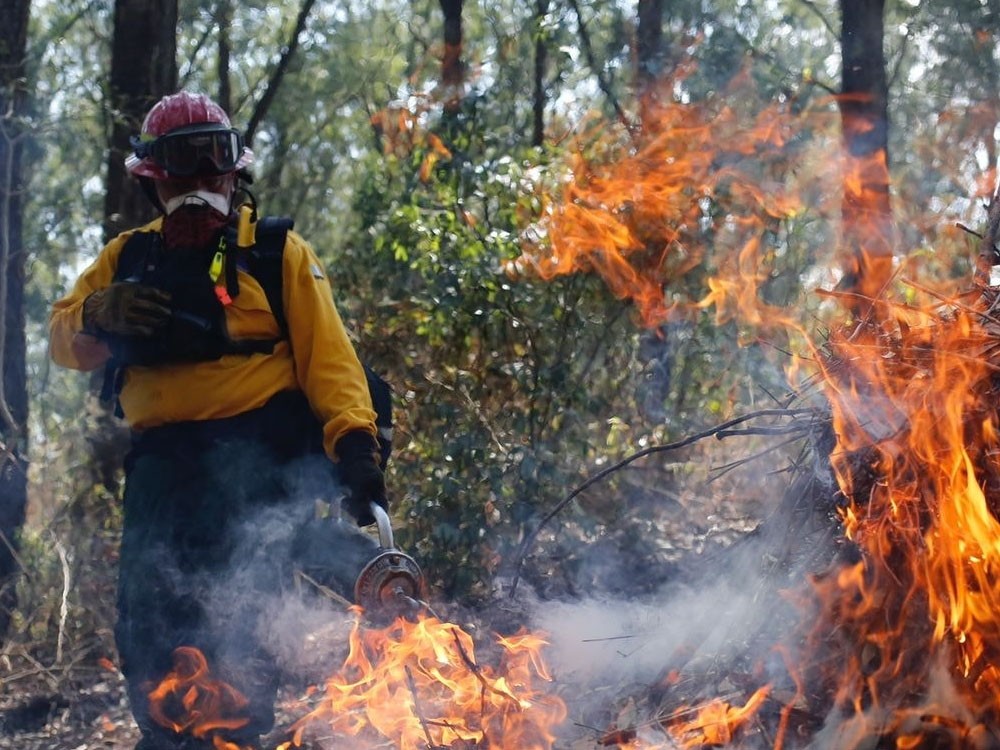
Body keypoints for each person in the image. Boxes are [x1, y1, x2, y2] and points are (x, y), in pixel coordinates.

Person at [49, 91, 388, 750]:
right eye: (185, 171)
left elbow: (333, 364)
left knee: (242, 617)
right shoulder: (125, 259)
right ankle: (166, 735)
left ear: (236, 175)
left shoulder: (275, 254)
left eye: (216, 169)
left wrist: (356, 449)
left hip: (252, 467)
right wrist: (96, 314)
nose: (203, 184)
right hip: (161, 472)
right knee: (148, 618)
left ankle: (233, 737)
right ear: (156, 182)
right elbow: (63, 341)